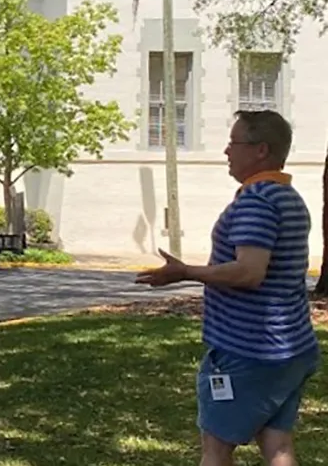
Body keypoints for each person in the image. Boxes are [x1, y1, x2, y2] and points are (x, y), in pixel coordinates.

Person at [137, 110, 319, 466]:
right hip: (291, 348)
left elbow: (249, 272)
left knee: (216, 449)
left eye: (234, 142)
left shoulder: (258, 201)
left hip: (250, 352)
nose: (226, 151)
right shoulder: (287, 196)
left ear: (261, 150)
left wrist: (186, 271)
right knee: (277, 444)